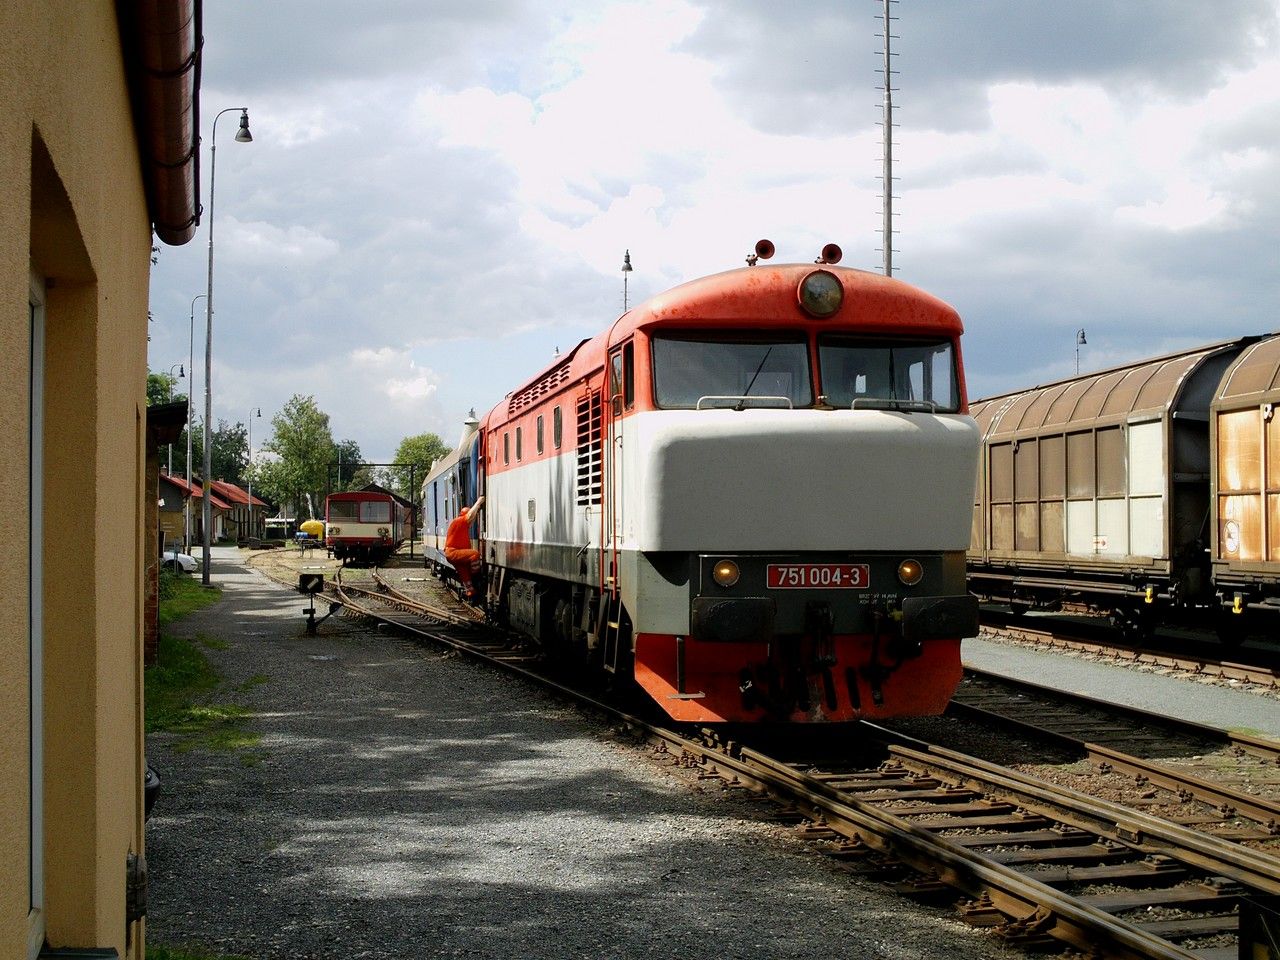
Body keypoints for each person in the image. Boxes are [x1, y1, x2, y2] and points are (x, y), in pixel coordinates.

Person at [444, 495, 485, 601]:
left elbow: (470, 519)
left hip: (452, 554)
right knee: (474, 554)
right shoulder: (459, 521)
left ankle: (472, 594)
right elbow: (470, 516)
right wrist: (479, 502)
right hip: (454, 552)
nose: (472, 521)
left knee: (465, 575)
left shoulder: (461, 525)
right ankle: (477, 576)